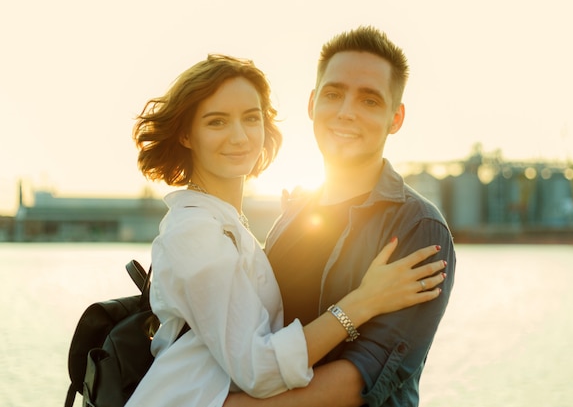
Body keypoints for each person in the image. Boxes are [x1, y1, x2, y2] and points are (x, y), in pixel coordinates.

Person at [124, 53, 447, 407]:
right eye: (217, 122)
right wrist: (361, 303)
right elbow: (258, 369)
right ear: (186, 134)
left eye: (251, 118)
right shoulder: (196, 231)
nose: (239, 136)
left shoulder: (234, 226)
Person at [225, 26, 456, 407]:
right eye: (334, 94)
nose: (346, 112)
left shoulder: (418, 228)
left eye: (369, 101)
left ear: (395, 118)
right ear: (313, 103)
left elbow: (364, 376)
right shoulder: (293, 215)